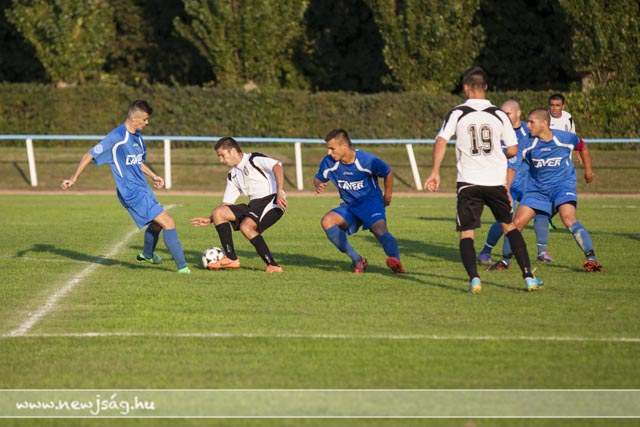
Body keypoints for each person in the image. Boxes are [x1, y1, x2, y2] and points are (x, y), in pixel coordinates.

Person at [424, 66, 543, 293]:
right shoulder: (499, 114)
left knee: (467, 233)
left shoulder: (458, 112)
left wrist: (435, 172)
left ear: (465, 87)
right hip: (495, 181)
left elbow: (441, 140)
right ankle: (528, 277)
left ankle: (475, 279)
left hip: (468, 182)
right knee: (509, 227)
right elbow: (513, 149)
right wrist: (497, 154)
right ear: (486, 87)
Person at [61, 100, 190, 273]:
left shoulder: (138, 137)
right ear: (134, 118)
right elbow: (89, 154)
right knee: (168, 221)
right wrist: (73, 178)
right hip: (131, 192)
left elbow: (137, 162)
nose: (147, 122)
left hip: (143, 189)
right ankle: (183, 269)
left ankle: (147, 255)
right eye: (145, 119)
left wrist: (153, 175)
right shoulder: (116, 137)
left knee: (157, 224)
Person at [513, 108, 603, 272]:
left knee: (568, 218)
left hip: (562, 186)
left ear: (544, 123)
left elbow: (583, 147)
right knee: (518, 223)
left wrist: (589, 171)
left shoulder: (565, 138)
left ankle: (591, 258)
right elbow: (513, 164)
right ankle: (505, 261)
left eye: (531, 122)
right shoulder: (526, 143)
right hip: (537, 189)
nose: (528, 125)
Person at [314, 128, 405, 274]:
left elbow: (387, 172)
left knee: (379, 230)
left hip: (371, 203)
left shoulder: (366, 160)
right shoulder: (329, 162)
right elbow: (319, 177)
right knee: (327, 221)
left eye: (332, 148)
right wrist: (318, 184)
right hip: (350, 206)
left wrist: (387, 196)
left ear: (344, 145)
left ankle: (395, 261)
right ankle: (358, 260)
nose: (329, 153)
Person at [189, 137, 286, 273]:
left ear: (233, 151)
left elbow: (277, 166)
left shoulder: (253, 159)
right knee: (218, 212)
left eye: (222, 155)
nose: (221, 160)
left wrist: (279, 191)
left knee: (246, 226)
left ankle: (273, 265)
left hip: (272, 200)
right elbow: (227, 203)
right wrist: (210, 219)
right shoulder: (232, 174)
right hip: (254, 205)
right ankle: (231, 258)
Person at [478, 99, 554, 270]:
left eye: (508, 113)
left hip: (528, 183)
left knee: (542, 213)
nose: (503, 116)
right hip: (506, 183)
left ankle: (542, 252)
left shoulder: (530, 129)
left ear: (518, 113)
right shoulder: (496, 130)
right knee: (505, 217)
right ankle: (485, 252)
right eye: (502, 113)